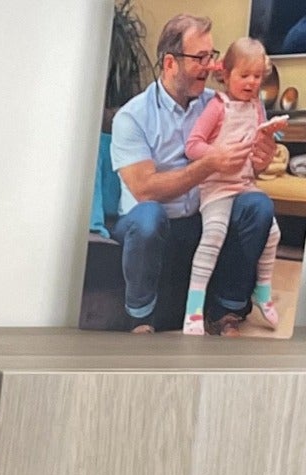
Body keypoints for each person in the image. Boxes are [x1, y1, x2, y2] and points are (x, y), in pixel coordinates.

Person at [106, 13, 280, 335]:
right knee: (149, 216)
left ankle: (226, 310)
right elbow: (144, 190)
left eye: (212, 56)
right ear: (170, 63)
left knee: (257, 207)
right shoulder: (132, 116)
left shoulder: (220, 102)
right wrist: (209, 164)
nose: (211, 66)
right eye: (200, 58)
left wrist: (261, 160)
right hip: (149, 221)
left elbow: (248, 164)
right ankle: (141, 317)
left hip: (198, 216)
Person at [180, 38, 285, 332]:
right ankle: (194, 310)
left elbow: (258, 151)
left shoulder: (256, 108)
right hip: (216, 188)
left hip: (244, 184)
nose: (251, 83)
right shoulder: (218, 107)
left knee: (274, 232)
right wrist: (217, 155)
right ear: (225, 74)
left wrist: (267, 143)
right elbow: (192, 146)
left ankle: (262, 292)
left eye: (256, 76)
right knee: (213, 235)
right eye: (244, 75)